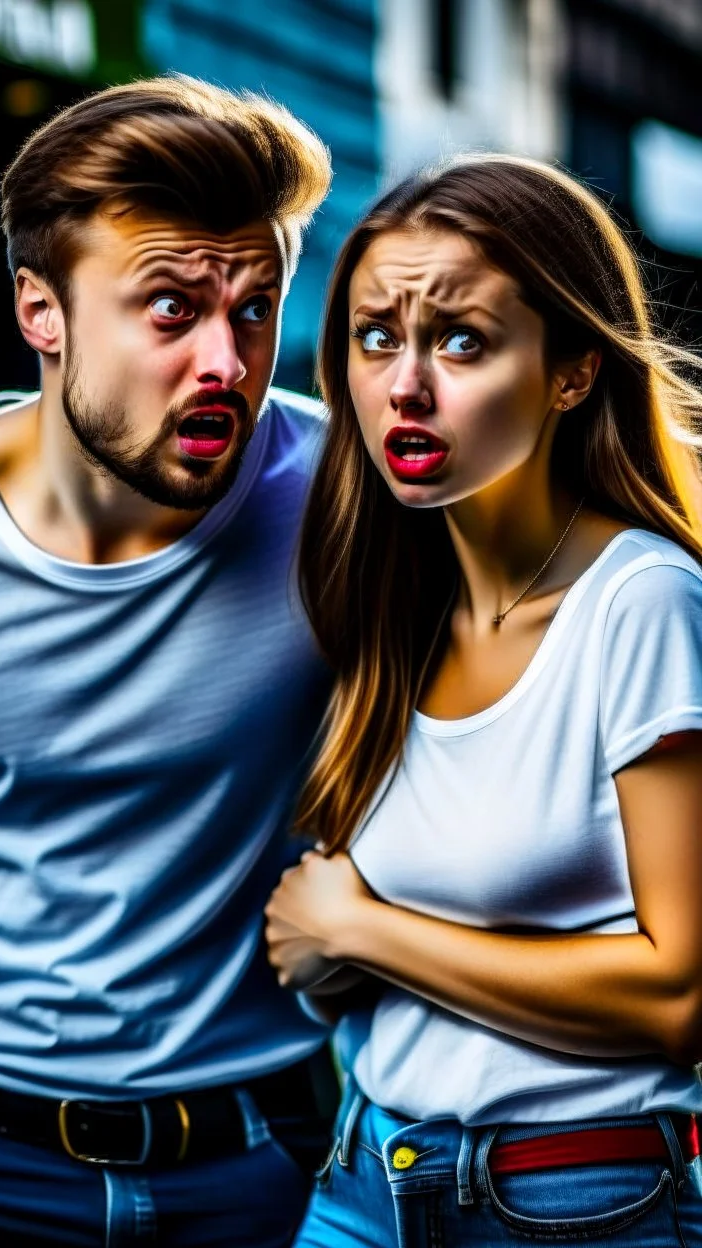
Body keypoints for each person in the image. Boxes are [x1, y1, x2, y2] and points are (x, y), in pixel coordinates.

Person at [0, 75, 338, 1247]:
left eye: (255, 307)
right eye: (172, 311)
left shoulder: (354, 501)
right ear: (42, 313)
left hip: (261, 1168)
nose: (227, 361)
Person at [265, 155, 702, 1247]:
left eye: (460, 340)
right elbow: (325, 951)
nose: (406, 386)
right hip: (365, 1178)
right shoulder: (385, 609)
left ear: (569, 371)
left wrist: (363, 929)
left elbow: (679, 991)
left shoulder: (641, 603)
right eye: (376, 338)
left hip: (576, 1201)